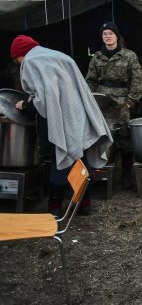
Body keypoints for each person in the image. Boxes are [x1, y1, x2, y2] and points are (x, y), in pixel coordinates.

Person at [11, 35, 112, 215]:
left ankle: (55, 209)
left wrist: (25, 105)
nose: (18, 63)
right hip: (79, 115)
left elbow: (44, 99)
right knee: (82, 158)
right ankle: (84, 204)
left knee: (60, 159)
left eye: (16, 59)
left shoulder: (31, 61)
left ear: (20, 54)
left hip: (60, 119)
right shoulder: (58, 56)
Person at [86, 22, 142, 190]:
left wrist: (129, 102)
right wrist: (90, 99)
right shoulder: (97, 57)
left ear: (117, 36)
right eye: (104, 34)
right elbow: (89, 81)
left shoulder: (129, 56)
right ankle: (101, 174)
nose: (108, 36)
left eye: (110, 33)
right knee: (101, 139)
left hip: (122, 103)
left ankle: (126, 173)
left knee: (125, 139)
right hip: (101, 104)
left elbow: (137, 81)